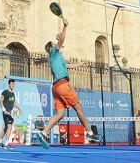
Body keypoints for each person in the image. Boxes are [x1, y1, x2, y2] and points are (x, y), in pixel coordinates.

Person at [36, 18, 97, 147]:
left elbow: (68, 65)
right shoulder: (54, 52)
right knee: (78, 107)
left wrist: (80, 63)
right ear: (52, 47)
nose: (57, 42)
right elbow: (61, 40)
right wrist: (65, 27)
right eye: (55, 42)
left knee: (60, 114)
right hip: (63, 85)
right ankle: (89, 132)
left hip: (56, 88)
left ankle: (44, 132)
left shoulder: (58, 58)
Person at [0, 78, 22, 149]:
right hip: (6, 112)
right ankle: (6, 143)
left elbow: (13, 103)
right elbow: (0, 101)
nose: (13, 85)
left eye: (14, 84)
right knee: (9, 126)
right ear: (9, 84)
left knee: (6, 127)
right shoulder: (5, 92)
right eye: (11, 84)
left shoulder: (13, 94)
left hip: (10, 113)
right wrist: (4, 110)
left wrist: (19, 109)